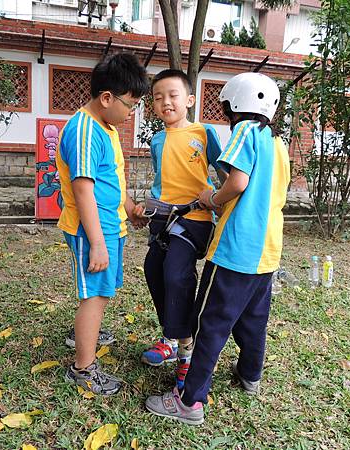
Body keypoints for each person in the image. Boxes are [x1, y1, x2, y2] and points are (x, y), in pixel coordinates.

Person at [145, 72, 291, 424]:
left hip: (236, 249)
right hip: (268, 250)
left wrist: (213, 197)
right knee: (253, 319)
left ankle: (189, 400)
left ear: (234, 104)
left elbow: (236, 182)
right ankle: (250, 375)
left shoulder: (245, 132)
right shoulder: (277, 142)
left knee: (209, 322)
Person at [56, 52, 149, 395]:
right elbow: (83, 189)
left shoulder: (105, 126)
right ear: (106, 97)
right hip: (93, 230)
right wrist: (96, 242)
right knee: (94, 295)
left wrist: (130, 208)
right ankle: (83, 367)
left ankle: (85, 334)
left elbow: (109, 180)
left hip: (111, 225)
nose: (132, 113)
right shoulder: (83, 130)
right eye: (131, 105)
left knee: (101, 293)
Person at [141, 69, 225, 389]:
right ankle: (172, 338)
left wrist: (221, 202)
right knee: (154, 270)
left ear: (189, 100)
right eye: (158, 97)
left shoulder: (204, 133)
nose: (166, 102)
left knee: (177, 274)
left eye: (173, 95)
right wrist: (148, 206)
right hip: (163, 217)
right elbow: (162, 182)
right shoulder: (157, 140)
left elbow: (224, 172)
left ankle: (186, 355)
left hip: (195, 219)